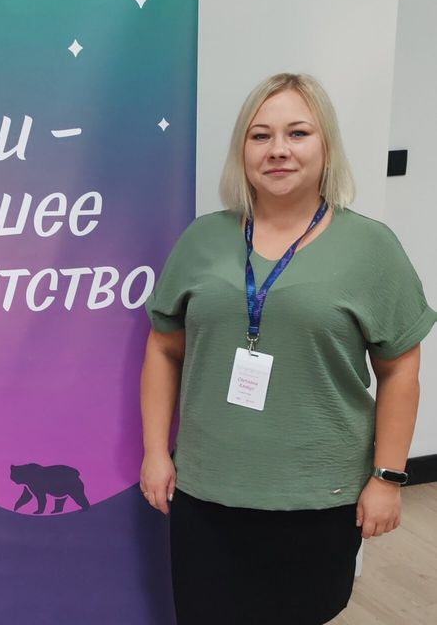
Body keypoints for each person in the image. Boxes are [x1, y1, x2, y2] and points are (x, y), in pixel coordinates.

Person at [140, 73, 436, 625]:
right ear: (243, 150)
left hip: (319, 494)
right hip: (207, 489)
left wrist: (388, 477)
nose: (278, 149)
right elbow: (163, 348)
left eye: (298, 133)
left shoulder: (370, 248)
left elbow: (400, 370)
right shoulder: (202, 240)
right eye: (261, 136)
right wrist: (156, 451)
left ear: (326, 146)